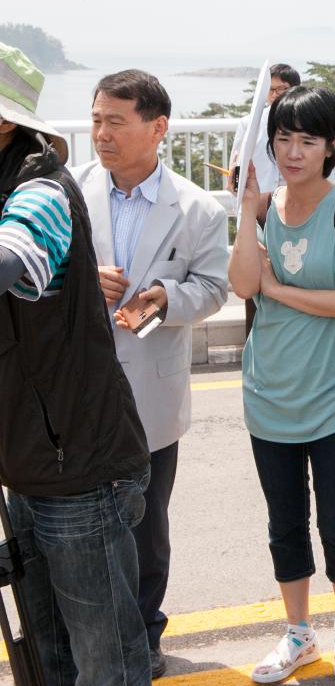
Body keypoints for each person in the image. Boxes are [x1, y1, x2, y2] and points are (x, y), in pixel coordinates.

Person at [0, 42, 153, 684]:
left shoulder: (40, 190)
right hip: (30, 462)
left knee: (106, 661)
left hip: (79, 471)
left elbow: (13, 261)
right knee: (52, 656)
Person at [71, 70, 230, 678]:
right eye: (95, 119)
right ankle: (81, 633)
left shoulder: (195, 207)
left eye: (116, 121)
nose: (101, 134)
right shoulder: (65, 189)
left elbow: (213, 288)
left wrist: (164, 297)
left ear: (157, 127)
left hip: (149, 393)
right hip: (75, 387)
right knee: (70, 520)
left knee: (143, 522)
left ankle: (144, 633)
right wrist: (82, 279)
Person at [228, 86, 335, 683]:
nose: (293, 152)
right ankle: (298, 633)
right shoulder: (265, 209)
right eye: (283, 139)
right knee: (284, 523)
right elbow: (243, 284)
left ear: (331, 146)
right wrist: (247, 210)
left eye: (308, 140)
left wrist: (280, 290)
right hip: (269, 391)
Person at [228, 63, 302, 196]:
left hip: (299, 202)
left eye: (281, 89)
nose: (274, 94)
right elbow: (237, 167)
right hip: (258, 201)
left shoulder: (308, 123)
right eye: (270, 89)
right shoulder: (249, 124)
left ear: (296, 90)